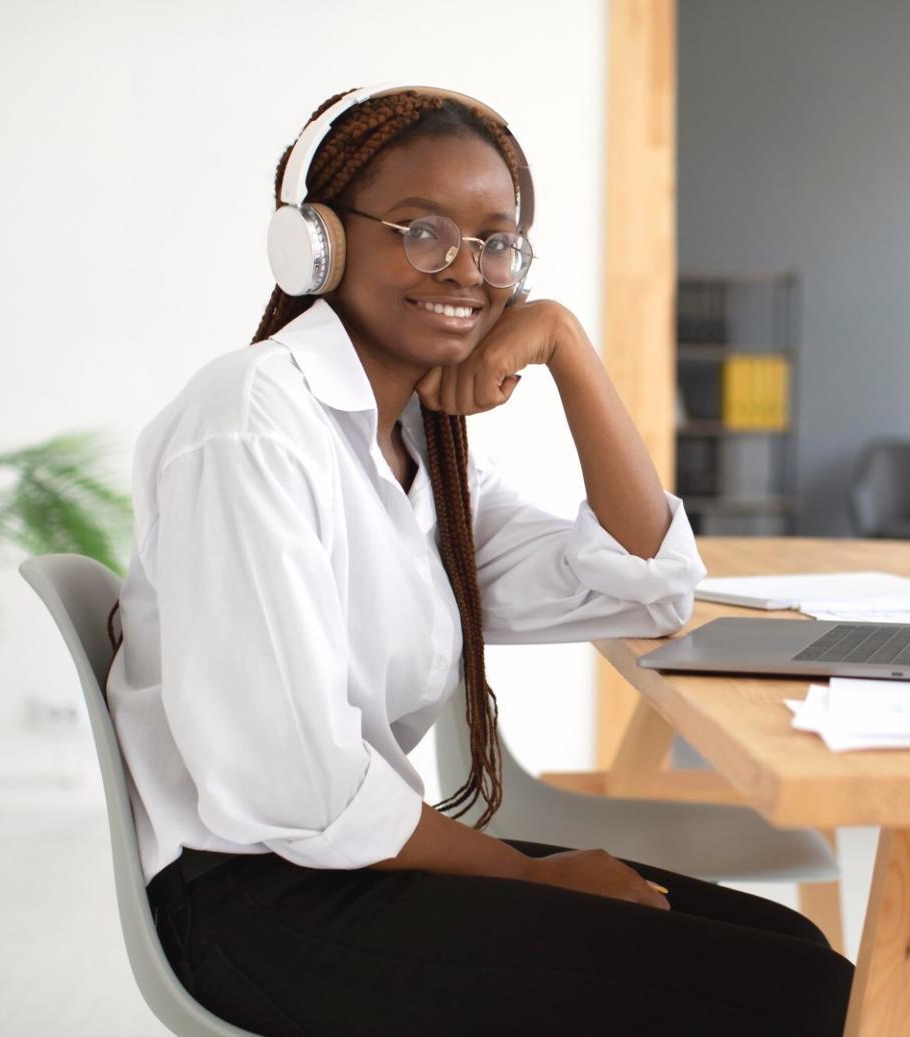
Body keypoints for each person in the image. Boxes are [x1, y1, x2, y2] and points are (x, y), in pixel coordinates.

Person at [103, 84, 854, 1035]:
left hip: (344, 864)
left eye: (497, 241)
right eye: (423, 230)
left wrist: (567, 346)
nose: (466, 269)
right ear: (316, 242)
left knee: (794, 952)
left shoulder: (416, 447)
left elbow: (649, 587)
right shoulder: (253, 425)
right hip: (254, 902)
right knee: (791, 995)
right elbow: (292, 789)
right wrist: (530, 873)